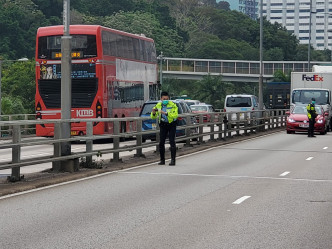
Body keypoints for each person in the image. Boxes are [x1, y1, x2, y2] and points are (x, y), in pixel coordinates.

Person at [151, 92, 178, 166]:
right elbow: (153, 117)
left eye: (167, 99)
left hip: (171, 124)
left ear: (169, 99)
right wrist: (153, 112)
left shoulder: (173, 105)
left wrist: (165, 113)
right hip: (163, 124)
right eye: (164, 99)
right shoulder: (158, 105)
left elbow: (175, 115)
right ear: (161, 99)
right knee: (161, 142)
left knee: (172, 141)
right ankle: (162, 160)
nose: (165, 100)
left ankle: (173, 160)